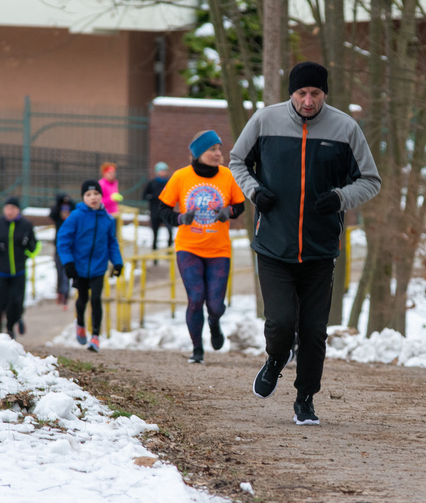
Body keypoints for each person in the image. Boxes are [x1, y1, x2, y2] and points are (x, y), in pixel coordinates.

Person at [230, 61, 381, 426]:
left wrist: (340, 197)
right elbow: (237, 161)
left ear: (325, 93)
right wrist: (254, 191)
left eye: (315, 93)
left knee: (314, 332)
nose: (308, 101)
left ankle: (305, 399)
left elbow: (371, 180)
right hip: (274, 245)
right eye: (302, 93)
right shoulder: (265, 121)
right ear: (291, 93)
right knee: (281, 322)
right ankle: (275, 360)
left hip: (320, 248)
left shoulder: (345, 128)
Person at [158, 130, 245, 364]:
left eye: (219, 149)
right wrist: (179, 218)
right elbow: (162, 209)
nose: (218, 153)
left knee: (215, 305)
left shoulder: (227, 176)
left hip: (219, 250)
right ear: (198, 154)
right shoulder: (180, 177)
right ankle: (198, 349)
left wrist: (229, 212)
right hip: (189, 248)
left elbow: (240, 205)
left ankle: (214, 323)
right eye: (212, 149)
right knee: (196, 298)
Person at [57, 179, 124, 353]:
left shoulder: (108, 219)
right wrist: (68, 263)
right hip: (79, 267)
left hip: (98, 267)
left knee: (96, 299)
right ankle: (80, 323)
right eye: (88, 194)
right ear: (83, 198)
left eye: (96, 194)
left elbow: (112, 242)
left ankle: (95, 337)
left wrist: (117, 262)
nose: (93, 197)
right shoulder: (76, 216)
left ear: (101, 196)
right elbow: (63, 240)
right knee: (83, 299)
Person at [0, 196, 41, 339]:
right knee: (2, 301)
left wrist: (28, 252)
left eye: (13, 208)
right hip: (1, 271)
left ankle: (11, 327)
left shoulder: (26, 225)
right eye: (7, 208)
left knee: (16, 301)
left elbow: (35, 243)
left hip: (19, 271)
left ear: (18, 210)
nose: (10, 211)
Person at [143, 161, 174, 260]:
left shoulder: (169, 182)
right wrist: (152, 197)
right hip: (155, 212)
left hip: (167, 212)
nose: (163, 172)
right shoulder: (151, 183)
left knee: (170, 232)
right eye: (161, 171)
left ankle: (168, 253)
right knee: (155, 235)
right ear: (157, 172)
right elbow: (144, 196)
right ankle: (155, 255)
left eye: (164, 171)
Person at [49, 193, 75, 307]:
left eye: (67, 212)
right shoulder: (58, 219)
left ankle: (65, 295)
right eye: (63, 211)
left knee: (66, 273)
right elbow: (52, 213)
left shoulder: (73, 220)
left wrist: (69, 201)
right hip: (59, 249)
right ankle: (60, 292)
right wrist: (60, 201)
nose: (65, 214)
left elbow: (75, 208)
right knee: (59, 272)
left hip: (70, 249)